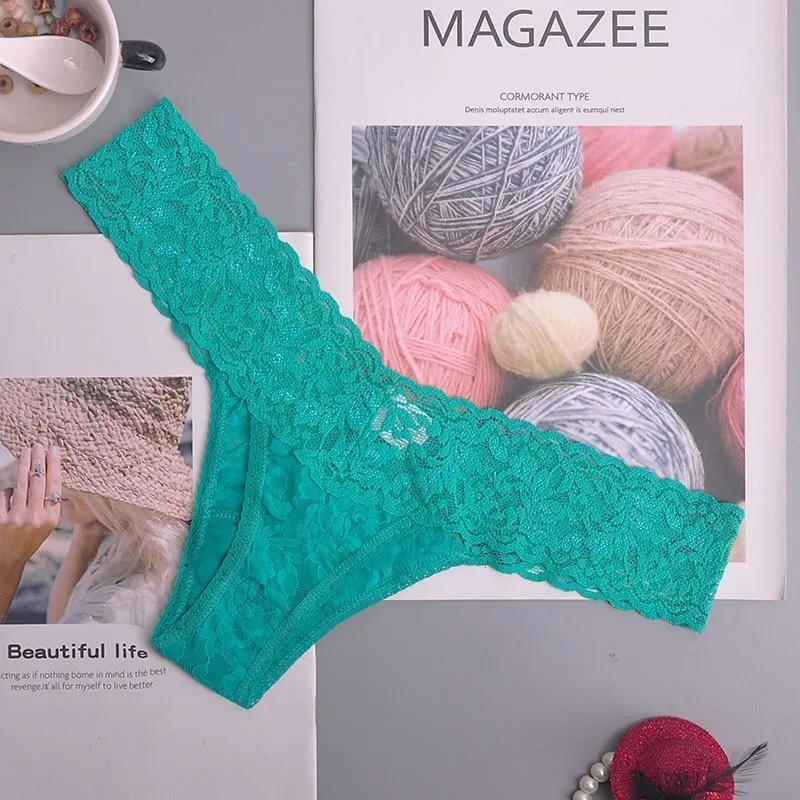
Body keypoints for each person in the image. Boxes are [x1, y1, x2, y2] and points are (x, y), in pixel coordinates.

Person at [0, 377, 193, 629]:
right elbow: (60, 625)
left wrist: (8, 564)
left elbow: (62, 645)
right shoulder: (142, 551)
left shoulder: (117, 611)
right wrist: (86, 537)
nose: (44, 479)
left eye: (57, 462)